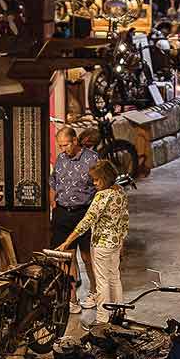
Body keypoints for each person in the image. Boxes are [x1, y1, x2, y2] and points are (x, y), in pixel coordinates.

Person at [56, 158, 128, 311]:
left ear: (105, 178)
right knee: (115, 278)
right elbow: (124, 220)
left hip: (102, 244)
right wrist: (121, 242)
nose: (94, 183)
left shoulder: (102, 196)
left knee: (102, 283)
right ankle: (119, 313)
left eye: (96, 180)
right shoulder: (120, 191)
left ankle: (103, 318)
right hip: (114, 244)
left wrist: (67, 241)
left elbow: (86, 222)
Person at [48, 123, 99, 303]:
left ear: (75, 140)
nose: (62, 149)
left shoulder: (92, 159)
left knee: (86, 256)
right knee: (65, 257)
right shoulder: (61, 159)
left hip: (83, 213)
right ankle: (71, 299)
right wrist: (53, 202)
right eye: (60, 146)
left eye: (65, 145)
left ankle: (94, 290)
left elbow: (100, 186)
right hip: (62, 213)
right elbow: (53, 182)